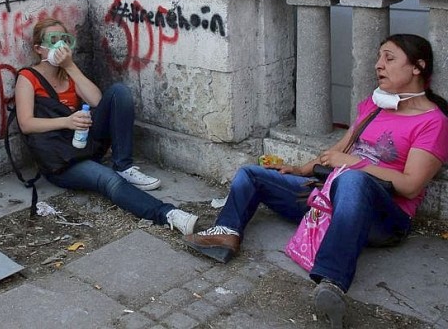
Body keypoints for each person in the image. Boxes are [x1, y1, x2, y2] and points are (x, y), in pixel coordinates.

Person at [182, 34, 448, 328]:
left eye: (389, 58)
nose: (378, 65)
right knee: (252, 175)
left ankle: (331, 282)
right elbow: (339, 150)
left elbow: (411, 185)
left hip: (384, 220)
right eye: (378, 57)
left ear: (417, 67)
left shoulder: (433, 122)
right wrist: (300, 170)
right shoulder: (374, 107)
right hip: (331, 195)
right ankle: (226, 233)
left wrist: (352, 165)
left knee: (353, 181)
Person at [14, 17, 199, 235]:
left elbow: (97, 100)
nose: (60, 46)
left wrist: (70, 66)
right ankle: (168, 214)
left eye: (64, 40)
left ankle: (124, 165)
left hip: (82, 143)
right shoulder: (28, 78)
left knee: (119, 93)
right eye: (53, 40)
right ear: (39, 49)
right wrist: (66, 121)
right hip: (60, 159)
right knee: (107, 180)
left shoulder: (68, 73)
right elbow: (26, 124)